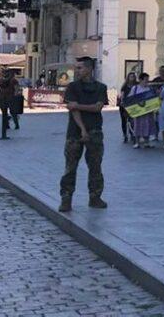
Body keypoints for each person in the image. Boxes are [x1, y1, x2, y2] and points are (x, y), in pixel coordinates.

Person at [59, 57, 109, 212]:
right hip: (75, 133)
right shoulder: (73, 87)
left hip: (95, 131)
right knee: (70, 167)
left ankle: (95, 197)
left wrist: (79, 105)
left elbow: (97, 108)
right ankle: (66, 199)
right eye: (77, 67)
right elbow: (73, 110)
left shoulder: (101, 87)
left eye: (80, 68)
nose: (77, 70)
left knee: (95, 166)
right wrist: (82, 130)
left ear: (89, 69)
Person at [129, 73, 157, 149]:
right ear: (141, 80)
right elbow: (130, 98)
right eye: (145, 80)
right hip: (138, 111)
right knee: (137, 125)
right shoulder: (135, 88)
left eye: (148, 80)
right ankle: (137, 142)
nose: (147, 81)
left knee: (147, 125)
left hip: (148, 111)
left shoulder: (150, 88)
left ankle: (146, 142)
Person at [0, 69, 20, 140]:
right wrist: (15, 95)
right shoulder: (13, 80)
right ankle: (15, 124)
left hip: (3, 98)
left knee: (5, 112)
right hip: (10, 98)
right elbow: (16, 88)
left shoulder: (1, 80)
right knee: (12, 112)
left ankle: (7, 125)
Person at [118, 72, 138, 144]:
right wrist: (123, 102)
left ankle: (132, 134)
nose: (132, 78)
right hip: (124, 105)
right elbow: (122, 96)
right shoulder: (125, 86)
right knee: (124, 121)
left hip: (133, 105)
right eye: (130, 76)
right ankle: (125, 135)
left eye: (133, 76)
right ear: (128, 78)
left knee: (132, 120)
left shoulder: (136, 85)